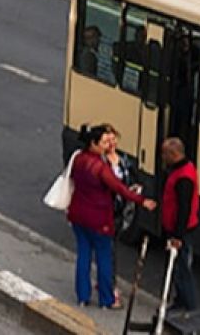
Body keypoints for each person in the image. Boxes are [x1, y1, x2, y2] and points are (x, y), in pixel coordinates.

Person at [67, 124, 156, 309]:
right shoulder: (100, 167)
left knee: (83, 255)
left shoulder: (78, 159)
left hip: (78, 213)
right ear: (93, 143)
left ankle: (83, 296)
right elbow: (120, 188)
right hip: (99, 218)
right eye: (103, 142)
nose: (107, 146)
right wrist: (142, 201)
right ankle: (106, 299)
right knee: (104, 258)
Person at [160, 137, 200, 312]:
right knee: (178, 269)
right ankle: (180, 301)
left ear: (173, 154)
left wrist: (178, 236)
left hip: (181, 231)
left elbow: (184, 208)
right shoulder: (183, 169)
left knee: (183, 269)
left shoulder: (183, 177)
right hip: (178, 229)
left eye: (165, 153)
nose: (162, 157)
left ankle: (189, 307)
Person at [101, 125, 139, 309]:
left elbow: (130, 180)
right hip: (102, 212)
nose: (111, 143)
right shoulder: (98, 162)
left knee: (110, 249)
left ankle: (106, 283)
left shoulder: (123, 161)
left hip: (118, 212)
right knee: (108, 252)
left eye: (114, 139)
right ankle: (109, 291)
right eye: (107, 140)